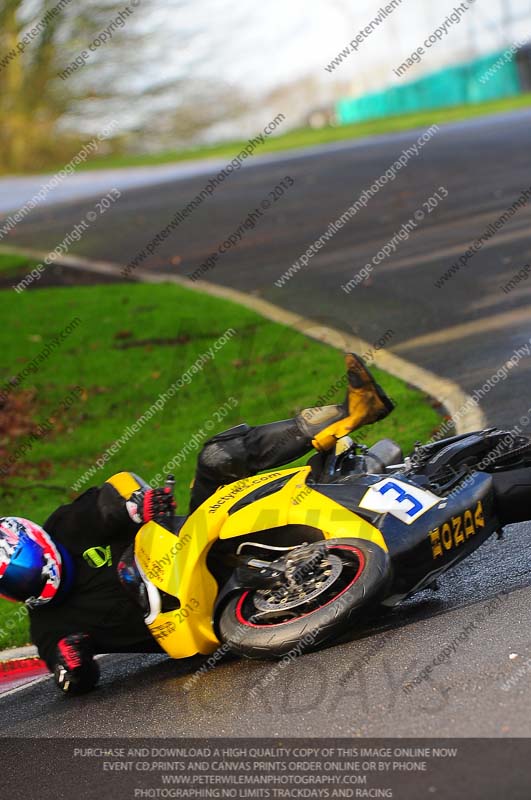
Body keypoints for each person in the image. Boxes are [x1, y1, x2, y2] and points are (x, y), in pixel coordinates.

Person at [0, 353, 393, 695]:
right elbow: (72, 678)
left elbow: (113, 495)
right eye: (12, 581)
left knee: (216, 456)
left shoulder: (66, 527)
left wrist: (139, 503)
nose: (27, 577)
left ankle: (351, 412)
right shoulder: (49, 626)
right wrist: (73, 665)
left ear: (36, 539)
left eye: (22, 563)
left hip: (193, 541)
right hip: (193, 625)